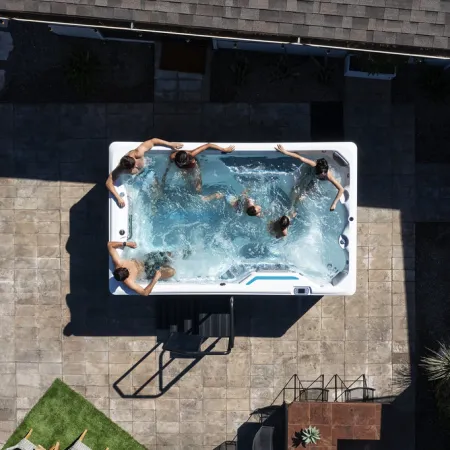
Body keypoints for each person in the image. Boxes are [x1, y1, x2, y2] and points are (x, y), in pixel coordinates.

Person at [106, 138, 183, 208]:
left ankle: (156, 203)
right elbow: (108, 183)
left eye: (135, 162)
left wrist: (170, 144)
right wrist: (118, 198)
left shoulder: (138, 153)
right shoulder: (120, 169)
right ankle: (153, 207)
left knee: (158, 192)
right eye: (133, 167)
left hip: (148, 170)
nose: (136, 165)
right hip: (137, 178)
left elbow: (153, 141)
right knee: (142, 199)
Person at [275, 144, 345, 211]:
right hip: (310, 173)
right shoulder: (313, 164)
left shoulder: (328, 175)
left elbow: (341, 189)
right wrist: (285, 152)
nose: (323, 175)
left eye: (324, 173)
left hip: (314, 178)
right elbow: (300, 158)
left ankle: (295, 206)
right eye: (321, 174)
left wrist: (334, 203)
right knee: (297, 189)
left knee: (302, 196)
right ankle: (292, 205)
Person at [108, 241, 175, 296]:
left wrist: (126, 244)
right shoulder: (128, 282)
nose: (129, 270)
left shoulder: (118, 263)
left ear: (120, 268)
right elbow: (145, 293)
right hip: (148, 271)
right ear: (125, 278)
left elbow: (109, 245)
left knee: (170, 255)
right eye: (128, 272)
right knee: (171, 272)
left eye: (126, 268)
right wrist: (155, 278)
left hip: (145, 259)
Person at [162, 143, 235, 192]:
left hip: (194, 167)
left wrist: (224, 149)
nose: (184, 163)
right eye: (182, 163)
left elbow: (208, 145)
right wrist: (164, 175)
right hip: (184, 170)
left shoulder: (192, 154)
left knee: (198, 189)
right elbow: (168, 167)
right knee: (188, 185)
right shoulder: (172, 157)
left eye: (186, 161)